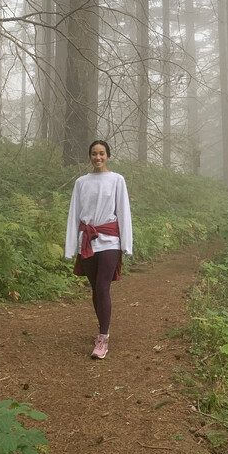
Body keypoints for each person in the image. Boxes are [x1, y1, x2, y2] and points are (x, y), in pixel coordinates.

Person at [65, 140, 133, 359]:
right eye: (94, 153)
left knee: (103, 287)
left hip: (110, 241)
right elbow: (74, 215)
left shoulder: (117, 180)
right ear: (89, 156)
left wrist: (126, 245)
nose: (98, 157)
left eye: (102, 153)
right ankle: (103, 326)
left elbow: (123, 212)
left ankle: (103, 338)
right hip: (87, 241)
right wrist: (71, 247)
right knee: (95, 287)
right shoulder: (81, 183)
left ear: (108, 155)